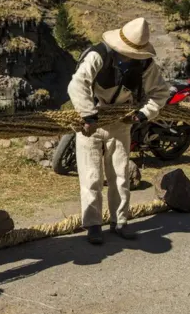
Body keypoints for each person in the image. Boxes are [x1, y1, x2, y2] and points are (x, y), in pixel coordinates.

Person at [68, 17, 170, 245]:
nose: (131, 56)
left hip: (121, 123)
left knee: (120, 175)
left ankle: (120, 221)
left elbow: (160, 92)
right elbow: (77, 84)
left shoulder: (145, 64)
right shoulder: (98, 55)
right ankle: (93, 224)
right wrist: (88, 115)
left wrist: (144, 114)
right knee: (91, 176)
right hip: (90, 124)